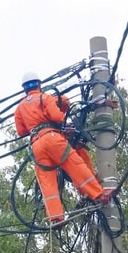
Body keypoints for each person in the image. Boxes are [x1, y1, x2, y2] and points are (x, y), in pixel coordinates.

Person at [14, 71, 114, 226]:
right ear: (39, 84)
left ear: (24, 89)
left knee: (47, 182)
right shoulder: (45, 97)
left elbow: (21, 131)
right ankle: (99, 194)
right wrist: (57, 115)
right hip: (51, 137)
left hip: (36, 145)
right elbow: (57, 117)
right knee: (74, 163)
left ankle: (55, 217)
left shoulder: (19, 108)